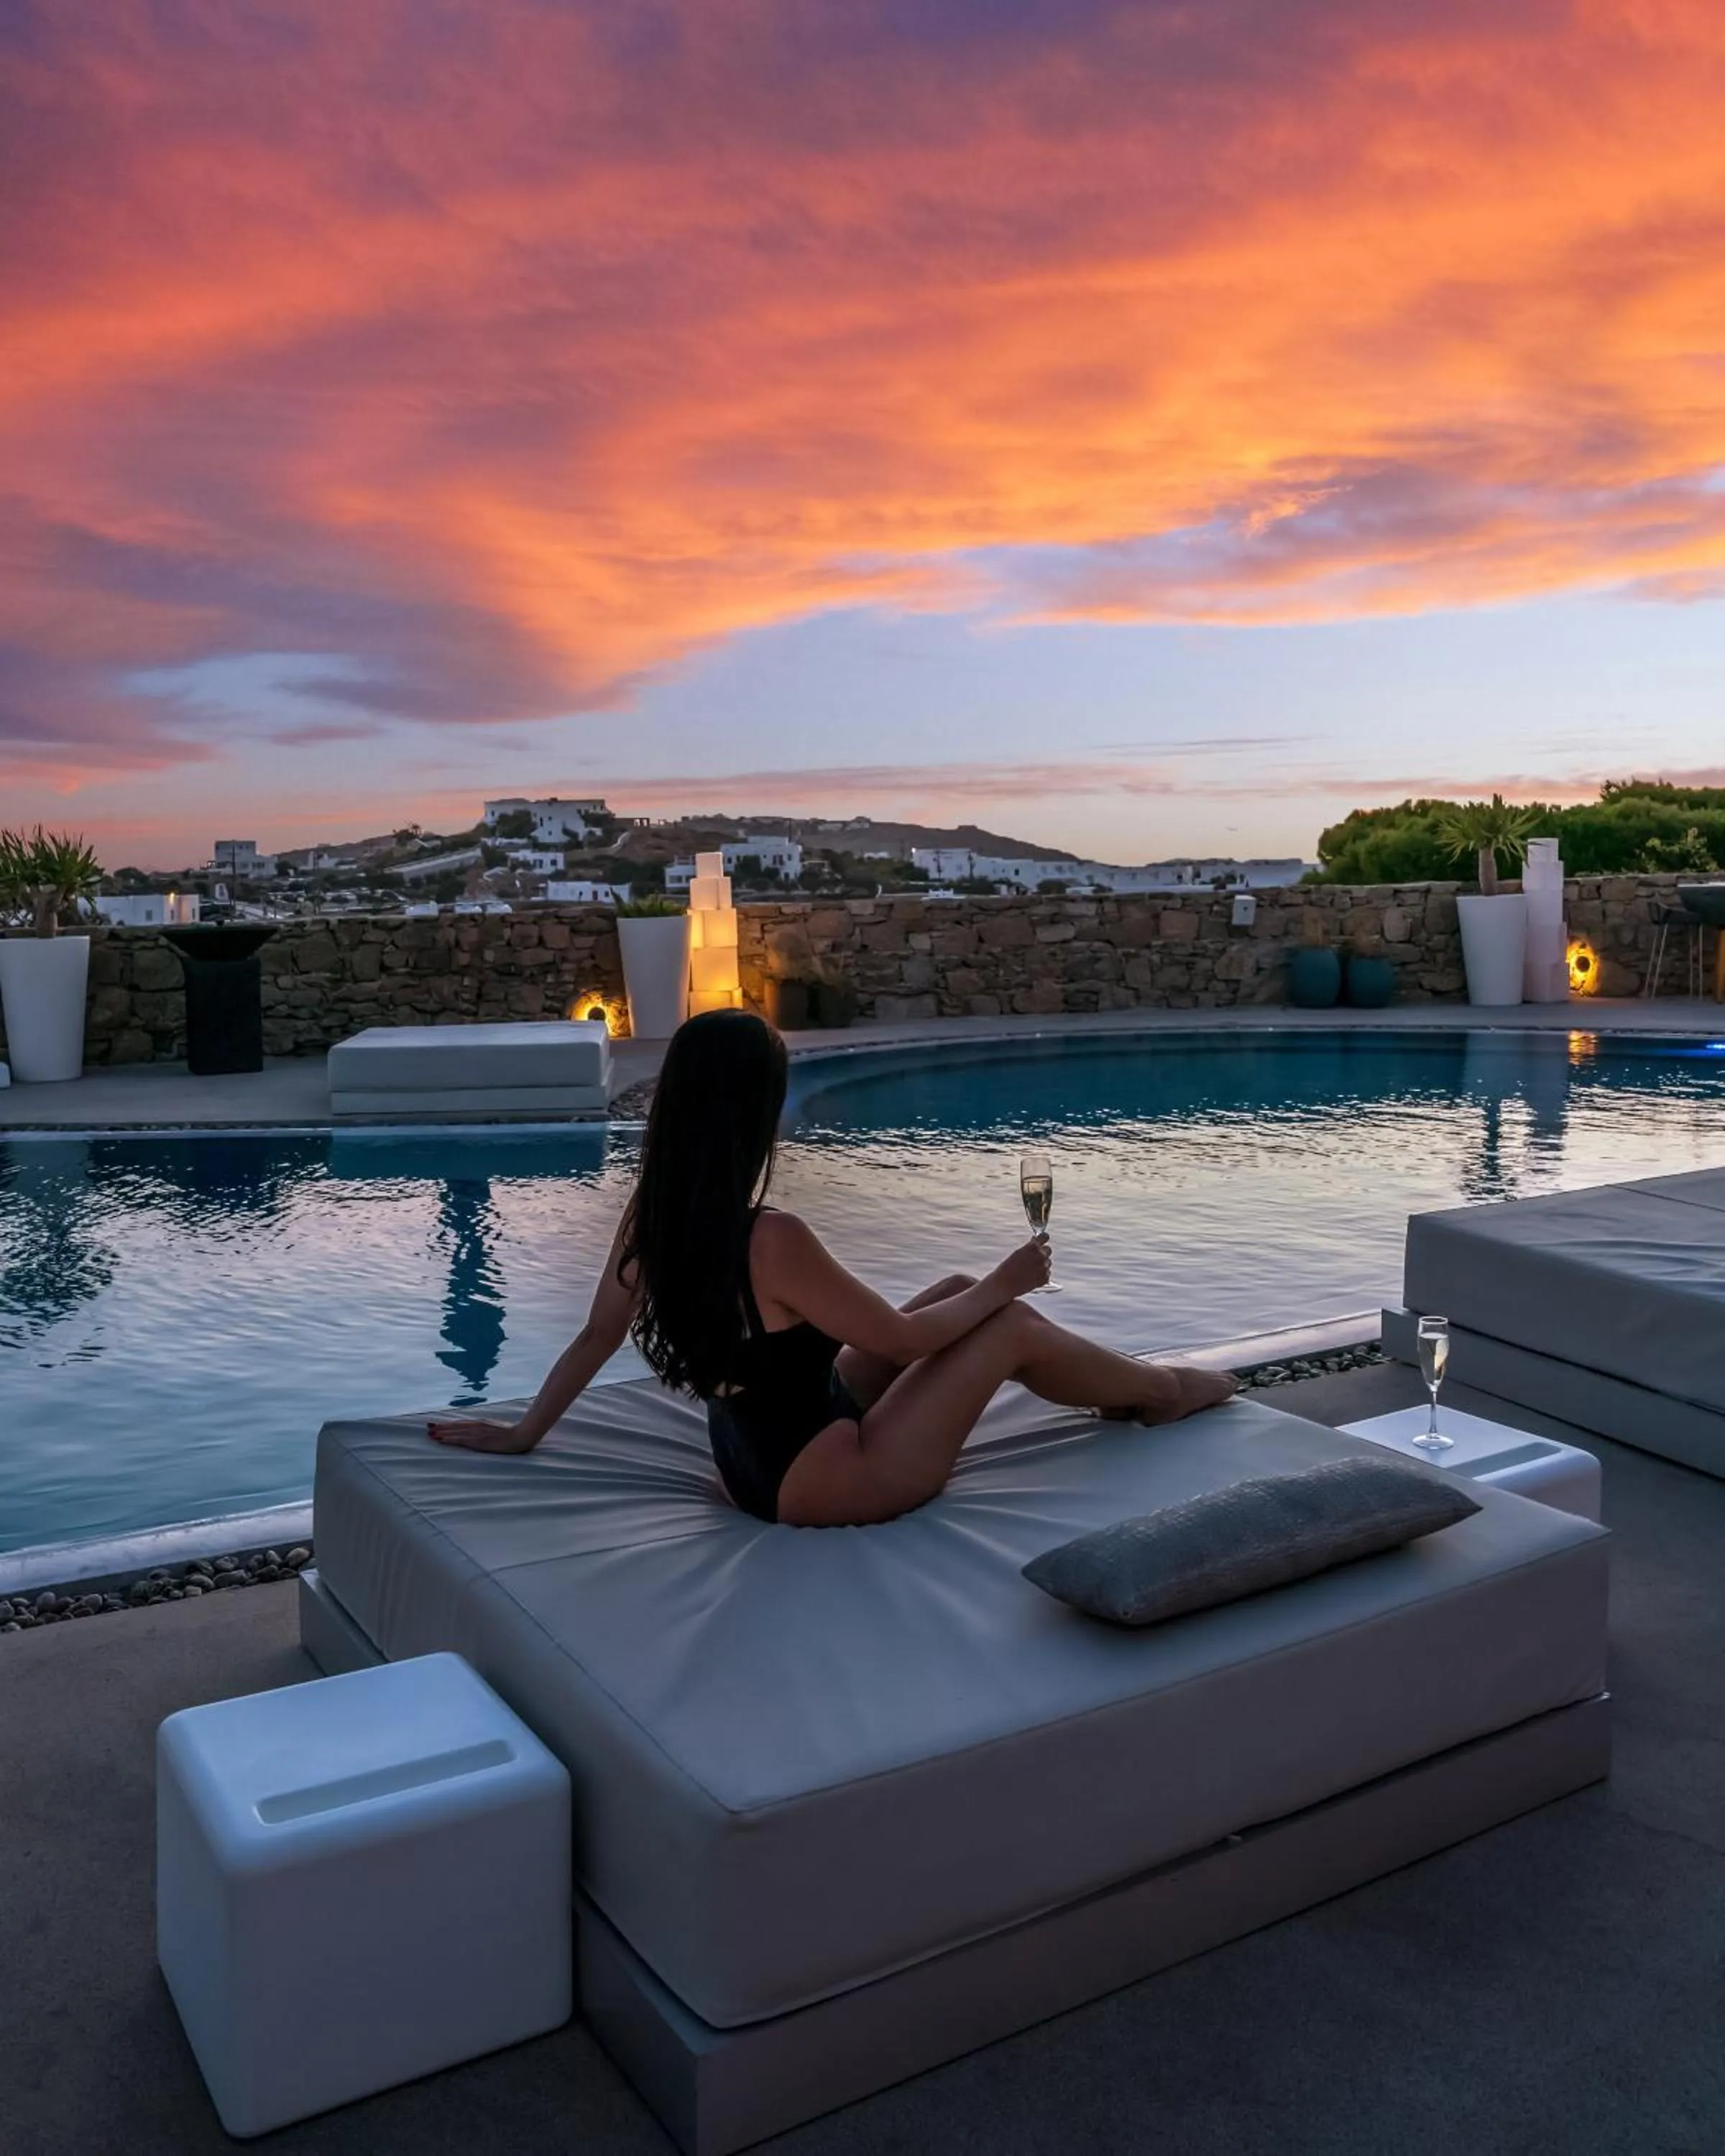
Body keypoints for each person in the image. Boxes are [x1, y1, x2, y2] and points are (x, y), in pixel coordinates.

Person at [428, 1010, 1236, 1526]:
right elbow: (907, 1342)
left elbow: (594, 1337)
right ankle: (1161, 1392)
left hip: (755, 1462)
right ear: (751, 1113)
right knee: (1007, 1321)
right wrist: (1011, 1277)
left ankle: (1130, 1389)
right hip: (829, 1483)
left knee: (957, 1294)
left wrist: (524, 1435)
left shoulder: (657, 1216)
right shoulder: (772, 1238)